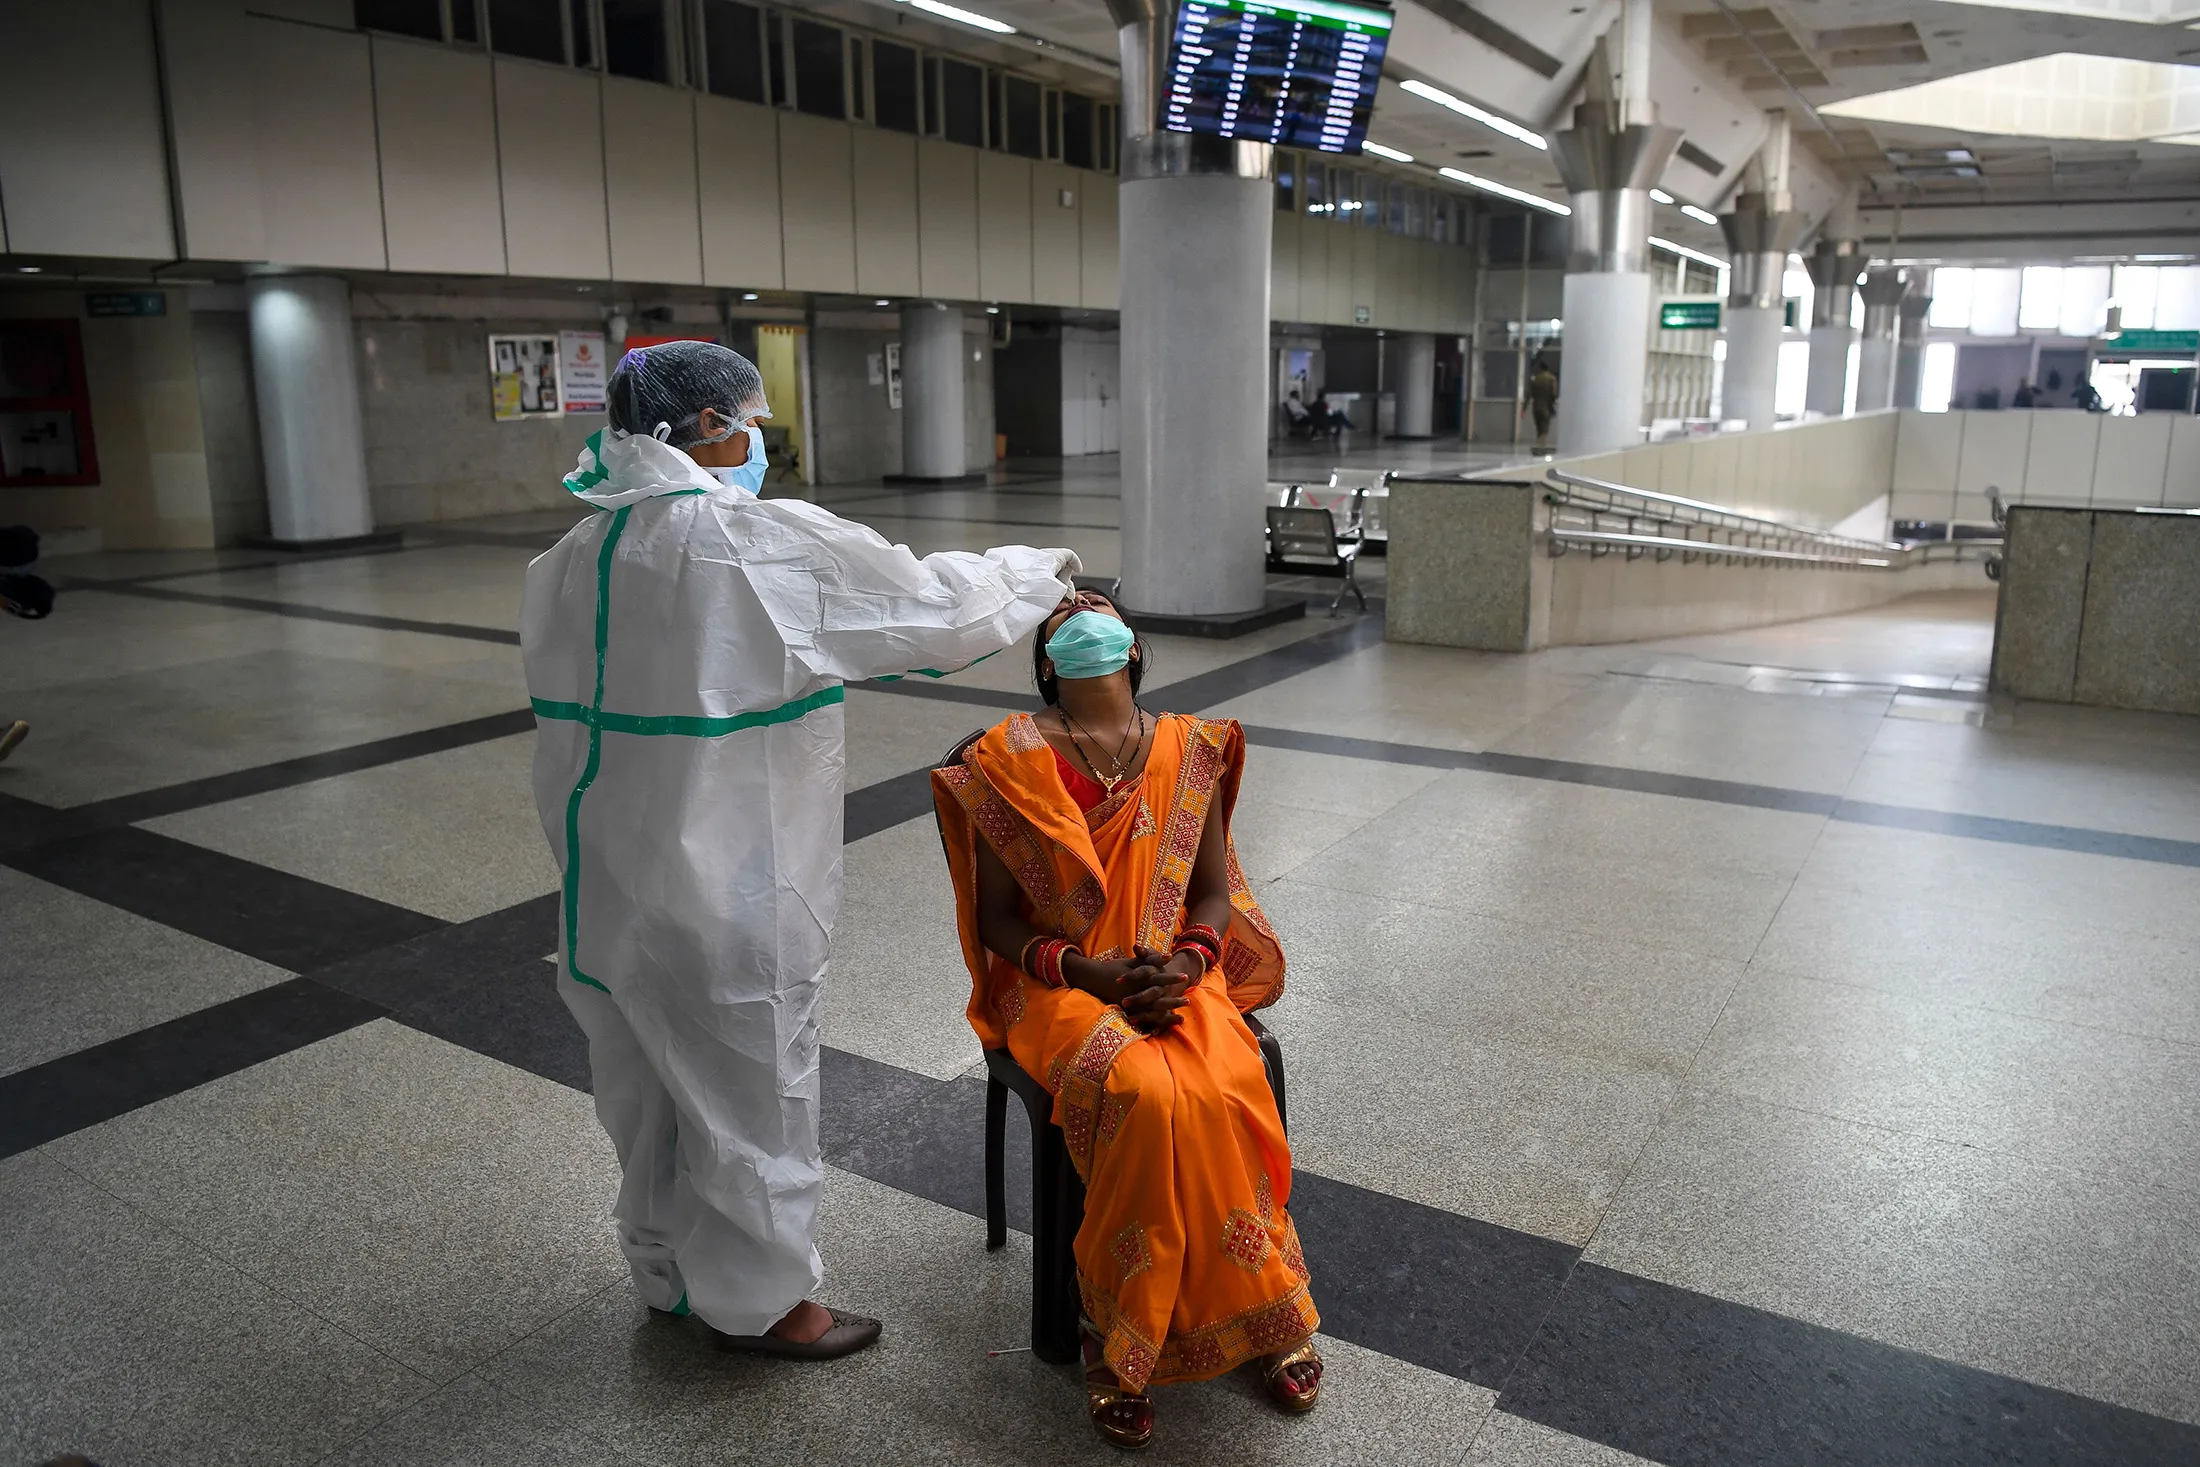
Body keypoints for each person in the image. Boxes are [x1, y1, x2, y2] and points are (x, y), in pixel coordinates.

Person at [523, 341, 1078, 1360]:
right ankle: (768, 1305)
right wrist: (1037, 575)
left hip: (602, 886)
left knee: (643, 1094)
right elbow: (925, 608)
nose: (757, 443)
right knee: (750, 1095)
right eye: (750, 423)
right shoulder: (742, 540)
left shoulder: (571, 557)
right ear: (706, 429)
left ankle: (666, 1275)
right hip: (725, 880)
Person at [932, 590, 1322, 1450]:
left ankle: (1262, 1307)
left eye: (1098, 606)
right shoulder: (1009, 758)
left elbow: (1213, 895)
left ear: (1134, 648)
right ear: (1045, 664)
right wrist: (1089, 971)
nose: (1082, 611)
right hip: (1062, 981)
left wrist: (1183, 967)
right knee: (1144, 1091)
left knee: (1225, 1080)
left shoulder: (1190, 747)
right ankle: (1118, 1331)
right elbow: (999, 918)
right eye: (1064, 611)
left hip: (1173, 968)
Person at [1526, 358, 1559, 447]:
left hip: (1536, 408)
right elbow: (1554, 394)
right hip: (1546, 408)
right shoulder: (1552, 378)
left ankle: (1539, 447)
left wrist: (1523, 409)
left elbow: (1528, 394)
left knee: (1539, 430)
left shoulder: (1535, 379)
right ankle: (1539, 446)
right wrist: (1552, 404)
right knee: (1544, 431)